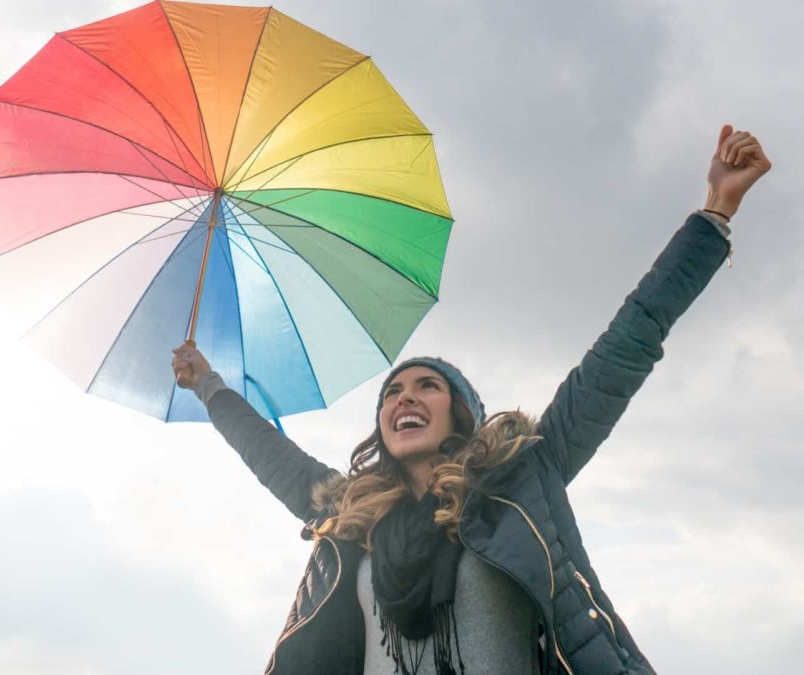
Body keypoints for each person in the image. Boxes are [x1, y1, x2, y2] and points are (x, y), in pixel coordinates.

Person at [170, 125, 771, 675]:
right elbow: (265, 449)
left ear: (460, 409)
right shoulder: (353, 516)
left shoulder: (524, 477)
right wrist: (207, 383)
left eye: (427, 385)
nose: (404, 398)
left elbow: (629, 342)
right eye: (392, 393)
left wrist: (715, 212)